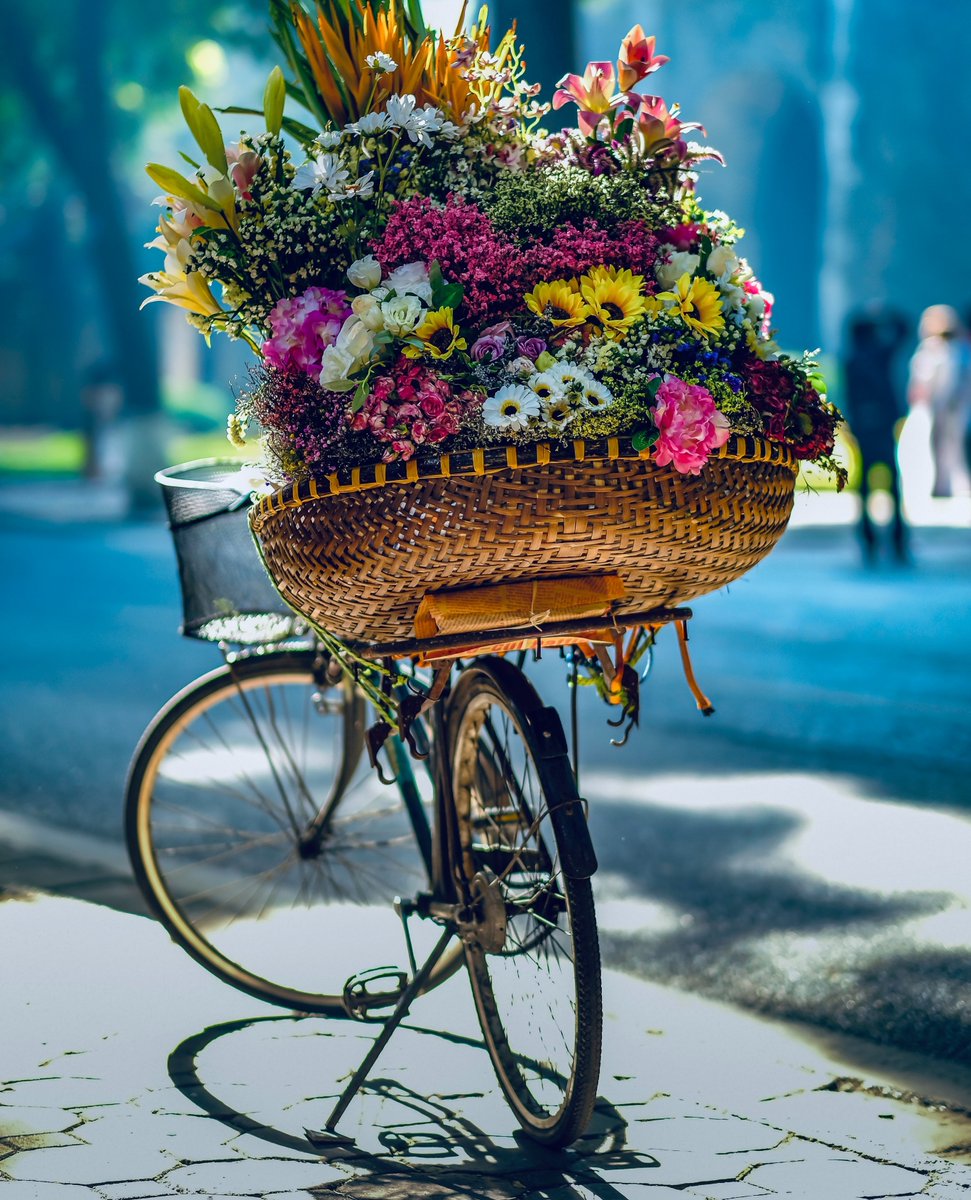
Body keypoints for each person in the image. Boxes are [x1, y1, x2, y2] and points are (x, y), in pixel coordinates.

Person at [842, 309, 909, 563]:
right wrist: (884, 314)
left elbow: (850, 397)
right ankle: (897, 540)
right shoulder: (881, 354)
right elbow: (903, 329)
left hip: (864, 428)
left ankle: (868, 538)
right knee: (893, 483)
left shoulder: (851, 359)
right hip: (882, 426)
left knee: (864, 484)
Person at [906, 305, 971, 499]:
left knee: (944, 444)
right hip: (949, 407)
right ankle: (944, 484)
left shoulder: (939, 350)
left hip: (943, 406)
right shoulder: (959, 349)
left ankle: (944, 485)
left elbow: (927, 381)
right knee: (948, 445)